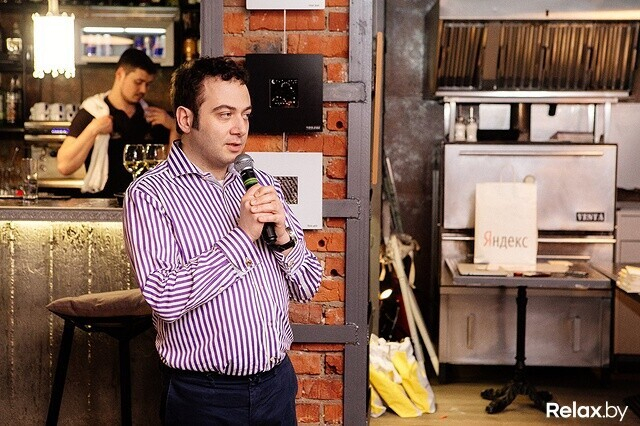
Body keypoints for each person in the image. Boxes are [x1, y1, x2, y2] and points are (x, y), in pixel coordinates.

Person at [122, 57, 322, 425]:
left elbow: (308, 285)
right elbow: (164, 298)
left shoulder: (259, 181)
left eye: (245, 115)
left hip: (276, 387)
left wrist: (283, 236)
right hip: (204, 398)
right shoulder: (150, 194)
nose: (239, 128)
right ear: (186, 119)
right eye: (224, 114)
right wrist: (242, 236)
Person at [57, 48, 178, 197]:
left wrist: (173, 127)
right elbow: (64, 166)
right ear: (120, 74)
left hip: (144, 202)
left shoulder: (153, 115)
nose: (143, 90)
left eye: (148, 84)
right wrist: (93, 129)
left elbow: (172, 169)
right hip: (101, 201)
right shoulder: (92, 111)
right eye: (138, 82)